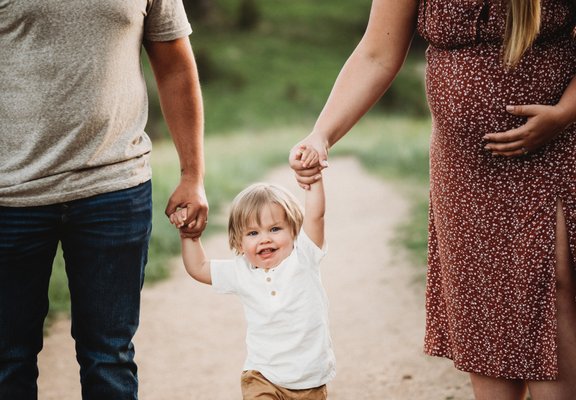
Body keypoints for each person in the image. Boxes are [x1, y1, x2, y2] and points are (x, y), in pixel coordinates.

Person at [289, 1, 576, 399]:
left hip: (555, 151)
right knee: (483, 297)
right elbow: (376, 54)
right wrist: (321, 134)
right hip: (464, 171)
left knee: (553, 281)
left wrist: (566, 111)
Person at [0, 1, 208, 399]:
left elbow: (175, 65)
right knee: (7, 361)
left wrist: (192, 175)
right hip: (10, 196)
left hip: (115, 188)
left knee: (108, 359)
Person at [171, 148, 335, 400]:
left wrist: (312, 177)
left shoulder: (304, 257)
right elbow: (198, 267)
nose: (264, 239)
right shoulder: (241, 270)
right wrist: (188, 235)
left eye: (275, 228)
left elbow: (316, 215)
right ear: (238, 242)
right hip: (262, 375)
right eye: (253, 233)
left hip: (309, 380)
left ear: (294, 230)